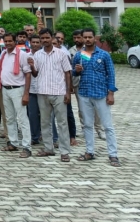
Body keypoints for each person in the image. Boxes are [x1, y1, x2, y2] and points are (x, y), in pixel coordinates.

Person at [72, 28, 120, 167]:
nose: (87, 39)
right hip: (84, 94)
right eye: (85, 37)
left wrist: (111, 93)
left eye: (90, 37)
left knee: (107, 126)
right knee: (87, 125)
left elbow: (111, 74)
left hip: (101, 94)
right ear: (82, 38)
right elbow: (73, 72)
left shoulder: (104, 55)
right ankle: (89, 152)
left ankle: (113, 154)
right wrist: (77, 71)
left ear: (94, 38)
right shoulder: (80, 55)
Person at [30, 29, 72, 162]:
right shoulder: (37, 55)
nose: (45, 40)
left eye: (47, 37)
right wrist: (32, 67)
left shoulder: (61, 54)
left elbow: (67, 73)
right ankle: (48, 148)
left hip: (59, 92)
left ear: (52, 38)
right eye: (42, 38)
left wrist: (68, 92)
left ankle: (64, 151)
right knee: (45, 122)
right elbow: (35, 74)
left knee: (62, 123)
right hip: (42, 92)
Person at [0, 33, 33, 158]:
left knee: (22, 119)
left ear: (15, 41)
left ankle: (27, 147)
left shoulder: (22, 55)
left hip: (18, 90)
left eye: (10, 41)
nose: (8, 43)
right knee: (9, 118)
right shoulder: (3, 54)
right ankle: (13, 142)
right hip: (5, 89)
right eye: (6, 41)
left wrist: (26, 93)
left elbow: (28, 74)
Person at [26, 34, 43, 145]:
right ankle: (34, 137)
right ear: (30, 43)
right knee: (32, 115)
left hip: (44, 89)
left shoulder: (44, 55)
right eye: (33, 42)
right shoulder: (26, 56)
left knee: (45, 115)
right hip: (31, 89)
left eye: (37, 42)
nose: (35, 44)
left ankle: (47, 136)